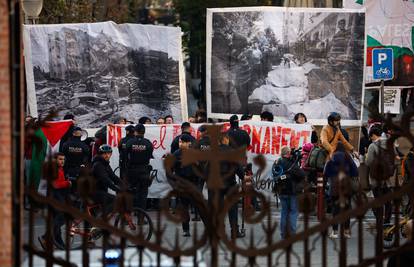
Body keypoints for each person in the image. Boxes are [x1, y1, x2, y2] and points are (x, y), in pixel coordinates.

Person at [209, 133, 245, 239]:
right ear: (225, 140)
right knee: (232, 208)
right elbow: (238, 167)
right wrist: (243, 177)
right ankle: (235, 231)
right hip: (230, 183)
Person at [324, 142, 358, 239]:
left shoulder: (331, 157)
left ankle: (335, 232)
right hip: (346, 186)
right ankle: (346, 232)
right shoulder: (348, 157)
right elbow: (355, 171)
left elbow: (325, 172)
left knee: (335, 209)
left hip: (334, 186)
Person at [38, 153, 72, 250]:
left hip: (56, 196)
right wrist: (67, 183)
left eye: (63, 159)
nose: (62, 161)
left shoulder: (59, 169)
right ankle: (45, 237)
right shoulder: (54, 169)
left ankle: (58, 242)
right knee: (61, 217)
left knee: (57, 219)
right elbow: (56, 184)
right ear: (55, 160)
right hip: (55, 197)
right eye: (60, 159)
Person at [272, 146, 306, 239]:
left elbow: (274, 175)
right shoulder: (291, 164)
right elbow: (302, 174)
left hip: (281, 191)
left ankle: (283, 235)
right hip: (292, 191)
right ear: (287, 154)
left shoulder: (276, 162)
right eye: (290, 153)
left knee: (284, 212)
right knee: (293, 212)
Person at [366, 125, 395, 225]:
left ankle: (379, 221)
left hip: (375, 179)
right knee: (388, 201)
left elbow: (368, 162)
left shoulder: (372, 146)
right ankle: (387, 220)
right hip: (387, 179)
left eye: (371, 137)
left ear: (373, 135)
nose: (370, 139)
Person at [171, 135, 199, 236]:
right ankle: (185, 229)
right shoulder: (176, 154)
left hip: (193, 183)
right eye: (179, 142)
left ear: (189, 143)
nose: (180, 144)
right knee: (184, 207)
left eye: (182, 142)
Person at [126, 124, 154, 210]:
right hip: (144, 170)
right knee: (143, 193)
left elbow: (124, 156)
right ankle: (141, 217)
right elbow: (150, 155)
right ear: (144, 132)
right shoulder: (148, 143)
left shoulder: (130, 142)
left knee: (131, 193)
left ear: (135, 132)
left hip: (132, 171)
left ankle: (129, 215)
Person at [92, 145, 122, 218]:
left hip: (101, 191)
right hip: (94, 192)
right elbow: (105, 180)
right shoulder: (98, 165)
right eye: (104, 153)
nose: (107, 155)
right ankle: (100, 221)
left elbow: (113, 177)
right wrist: (116, 189)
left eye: (109, 153)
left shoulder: (105, 164)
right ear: (100, 154)